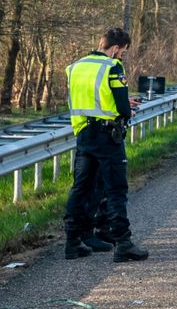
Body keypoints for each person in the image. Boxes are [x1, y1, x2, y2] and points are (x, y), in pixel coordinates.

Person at [63, 27, 150, 262]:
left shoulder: (76, 67)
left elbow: (94, 97)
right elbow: (122, 107)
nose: (121, 56)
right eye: (122, 52)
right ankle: (123, 243)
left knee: (81, 187)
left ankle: (72, 242)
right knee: (116, 189)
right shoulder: (113, 67)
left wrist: (118, 101)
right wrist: (126, 108)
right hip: (107, 135)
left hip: (83, 133)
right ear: (115, 48)